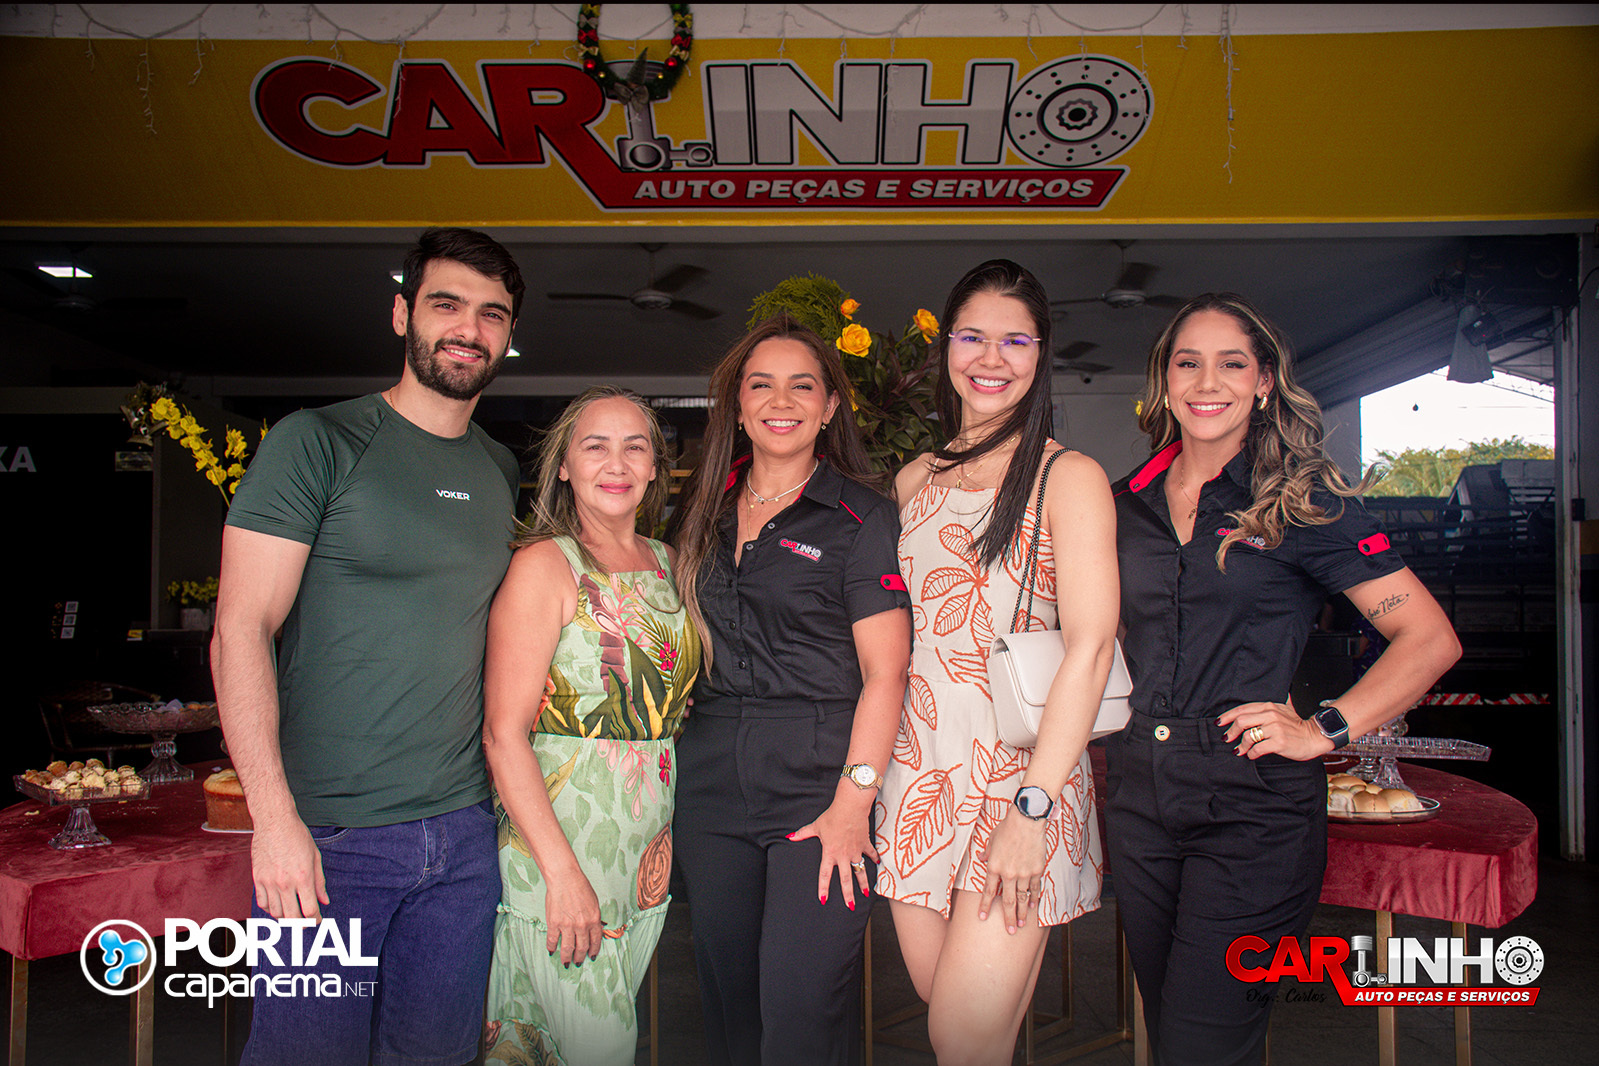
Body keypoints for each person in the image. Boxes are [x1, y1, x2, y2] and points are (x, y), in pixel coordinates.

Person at [1107, 292, 1462, 1065]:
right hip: (1137, 798)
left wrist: (1322, 729)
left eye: (1231, 364)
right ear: (1164, 380)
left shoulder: (1300, 503)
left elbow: (1428, 638)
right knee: (1170, 1033)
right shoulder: (1120, 504)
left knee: (1201, 1045)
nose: (1207, 382)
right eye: (1187, 363)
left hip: (1251, 806)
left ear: (1263, 381)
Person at [212, 227, 525, 1066]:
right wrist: (274, 820)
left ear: (507, 334)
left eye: (491, 314)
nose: (468, 329)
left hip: (463, 838)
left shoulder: (499, 467)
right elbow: (240, 628)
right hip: (329, 838)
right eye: (446, 305)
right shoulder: (317, 441)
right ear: (401, 315)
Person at [873, 259, 1120, 1065]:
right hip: (918, 774)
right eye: (972, 336)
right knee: (952, 1016)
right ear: (945, 346)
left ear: (1040, 353)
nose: (991, 357)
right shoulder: (915, 479)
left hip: (1020, 780)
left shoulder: (1066, 477)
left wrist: (1032, 809)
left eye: (1015, 340)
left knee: (960, 1035)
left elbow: (1090, 647)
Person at [669, 314, 912, 1066]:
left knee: (801, 1011)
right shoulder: (700, 514)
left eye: (802, 386)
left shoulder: (860, 517)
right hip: (710, 788)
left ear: (830, 406)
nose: (781, 401)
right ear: (737, 406)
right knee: (730, 1011)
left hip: (819, 788)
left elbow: (887, 673)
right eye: (761, 385)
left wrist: (853, 803)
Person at [480, 386, 700, 1064]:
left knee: (561, 1046)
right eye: (595, 446)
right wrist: (562, 874)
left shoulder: (669, 563)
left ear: (655, 468)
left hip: (639, 848)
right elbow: (502, 734)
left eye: (635, 447)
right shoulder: (545, 565)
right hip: (563, 843)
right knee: (599, 1047)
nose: (617, 463)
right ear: (564, 466)